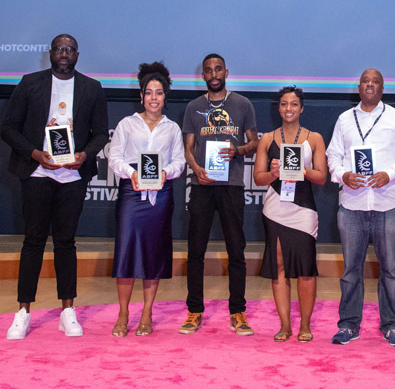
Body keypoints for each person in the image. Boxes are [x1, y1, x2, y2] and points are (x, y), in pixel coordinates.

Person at [0, 33, 109, 340]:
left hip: (72, 177)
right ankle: (23, 312)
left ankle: (67, 311)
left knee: (66, 242)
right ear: (50, 53)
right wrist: (36, 155)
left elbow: (101, 133)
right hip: (37, 172)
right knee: (33, 241)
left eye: (70, 49)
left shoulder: (92, 88)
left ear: (77, 55)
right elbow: (8, 128)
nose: (64, 53)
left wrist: (84, 155)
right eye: (59, 49)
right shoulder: (29, 83)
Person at [326, 68, 395, 347]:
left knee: (389, 269)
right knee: (351, 270)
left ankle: (392, 326)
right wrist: (343, 175)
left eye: (375, 81)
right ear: (358, 86)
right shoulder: (344, 119)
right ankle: (349, 325)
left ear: (382, 87)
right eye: (365, 80)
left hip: (386, 203)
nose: (370, 85)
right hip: (352, 205)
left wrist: (390, 174)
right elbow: (333, 156)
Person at [180, 53, 258, 335]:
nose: (213, 74)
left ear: (227, 72)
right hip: (202, 186)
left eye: (218, 69)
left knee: (236, 251)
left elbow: (254, 142)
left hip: (232, 185)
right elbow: (188, 148)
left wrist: (236, 150)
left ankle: (238, 312)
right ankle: (194, 311)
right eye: (208, 70)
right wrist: (196, 168)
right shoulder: (193, 107)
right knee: (195, 252)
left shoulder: (242, 104)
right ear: (203, 75)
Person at [108, 62, 185, 337]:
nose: (154, 97)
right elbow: (114, 157)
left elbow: (180, 161)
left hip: (161, 196)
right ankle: (123, 312)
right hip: (132, 193)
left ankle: (147, 312)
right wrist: (131, 173)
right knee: (127, 253)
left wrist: (167, 172)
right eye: (149, 92)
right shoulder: (126, 124)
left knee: (153, 254)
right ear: (141, 95)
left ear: (165, 97)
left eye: (159, 92)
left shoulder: (173, 128)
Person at [253, 86, 328, 343]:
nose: (288, 109)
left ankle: (305, 325)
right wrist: (274, 173)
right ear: (278, 108)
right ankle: (285, 325)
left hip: (303, 212)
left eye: (294, 104)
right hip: (275, 210)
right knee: (279, 268)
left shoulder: (314, 138)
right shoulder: (266, 139)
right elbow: (258, 178)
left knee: (306, 269)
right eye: (284, 104)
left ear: (302, 108)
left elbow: (322, 177)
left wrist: (301, 169)